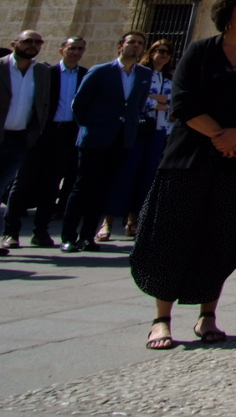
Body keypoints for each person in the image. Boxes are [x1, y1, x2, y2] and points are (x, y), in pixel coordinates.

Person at [131, 0, 236, 350]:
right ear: (227, 12)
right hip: (191, 156)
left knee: (222, 236)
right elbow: (182, 102)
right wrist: (219, 136)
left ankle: (208, 314)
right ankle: (161, 319)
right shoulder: (200, 52)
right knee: (172, 234)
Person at [62, 31, 152, 252]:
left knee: (104, 189)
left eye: (140, 44)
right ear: (120, 46)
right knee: (83, 187)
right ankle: (69, 236)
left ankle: (87, 236)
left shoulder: (144, 74)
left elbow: (138, 105)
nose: (136, 47)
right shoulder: (101, 71)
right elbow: (79, 105)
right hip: (96, 137)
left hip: (122, 139)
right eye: (131, 43)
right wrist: (91, 126)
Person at [3, 36, 87, 249]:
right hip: (41, 133)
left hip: (67, 135)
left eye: (80, 49)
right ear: (62, 50)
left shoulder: (86, 75)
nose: (76, 52)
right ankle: (11, 231)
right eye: (72, 48)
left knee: (51, 186)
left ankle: (41, 231)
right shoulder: (45, 72)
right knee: (22, 183)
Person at [102, 39, 176, 243]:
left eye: (167, 52)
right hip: (137, 130)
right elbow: (134, 99)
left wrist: (158, 101)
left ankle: (133, 221)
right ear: (150, 53)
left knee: (147, 176)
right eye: (159, 50)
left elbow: (173, 102)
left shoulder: (170, 77)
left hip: (160, 131)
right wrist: (158, 102)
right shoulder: (140, 72)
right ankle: (107, 221)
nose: (163, 55)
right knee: (125, 174)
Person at [0, 31, 50, 255]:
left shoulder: (41, 72)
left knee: (2, 188)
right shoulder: (1, 66)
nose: (33, 45)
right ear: (14, 44)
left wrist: (34, 133)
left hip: (19, 139)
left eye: (37, 42)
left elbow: (43, 103)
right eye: (28, 41)